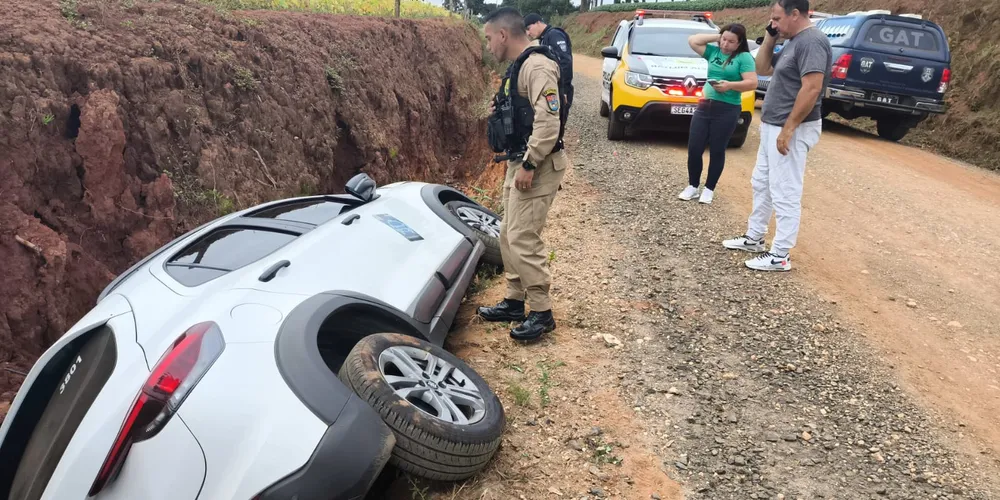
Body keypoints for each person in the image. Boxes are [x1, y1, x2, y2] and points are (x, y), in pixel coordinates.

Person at [478, 7, 568, 342]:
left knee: (523, 238)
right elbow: (522, 113)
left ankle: (542, 313)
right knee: (507, 234)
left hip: (538, 164)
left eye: (489, 38)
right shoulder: (518, 68)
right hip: (519, 160)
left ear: (503, 35)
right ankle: (515, 301)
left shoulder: (538, 66)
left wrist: (530, 165)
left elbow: (548, 122)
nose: (488, 46)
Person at [722, 0, 831, 271]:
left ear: (796, 14)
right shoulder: (793, 40)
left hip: (791, 127)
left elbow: (812, 87)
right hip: (774, 124)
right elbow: (762, 69)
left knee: (785, 190)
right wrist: (771, 37)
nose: (774, 23)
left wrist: (790, 127)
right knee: (762, 182)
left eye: (778, 18)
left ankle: (780, 254)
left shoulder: (812, 42)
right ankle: (755, 238)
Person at [679, 24, 757, 205]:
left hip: (727, 108)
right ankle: (692, 186)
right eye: (724, 40)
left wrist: (730, 85)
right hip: (705, 106)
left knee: (717, 149)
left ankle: (709, 189)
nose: (726, 44)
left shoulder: (744, 58)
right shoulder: (714, 52)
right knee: (694, 147)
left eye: (731, 42)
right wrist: (717, 36)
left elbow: (752, 83)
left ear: (739, 44)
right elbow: (693, 40)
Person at [524, 13, 574, 116]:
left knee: (557, 123)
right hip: (551, 88)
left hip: (560, 88)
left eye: (529, 28)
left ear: (538, 23)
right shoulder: (543, 39)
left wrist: (563, 90)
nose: (528, 33)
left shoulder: (554, 35)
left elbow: (565, 62)